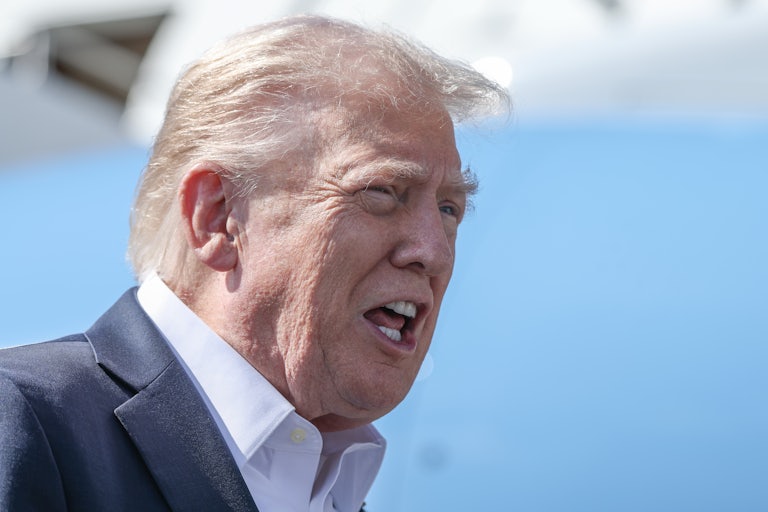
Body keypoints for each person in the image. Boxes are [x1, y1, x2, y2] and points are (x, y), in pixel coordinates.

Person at [0, 14, 507, 512]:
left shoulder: (328, 482)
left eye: (449, 209)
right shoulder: (23, 422)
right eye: (383, 192)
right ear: (218, 217)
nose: (434, 252)